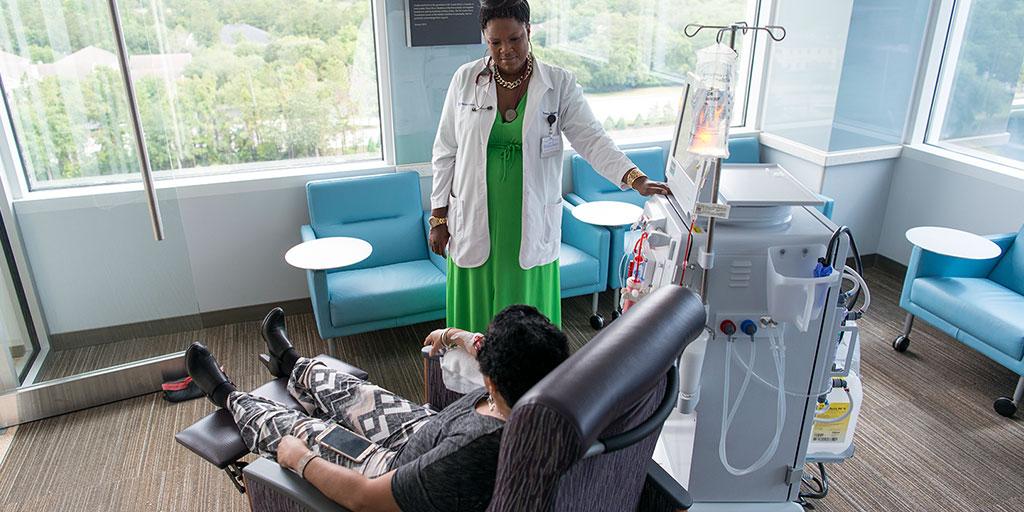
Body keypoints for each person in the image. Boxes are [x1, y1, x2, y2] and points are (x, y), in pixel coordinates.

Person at [428, 0, 670, 333]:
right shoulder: (466, 79)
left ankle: (531, 384)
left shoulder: (558, 83)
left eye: (514, 39)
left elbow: (592, 140)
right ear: (484, 38)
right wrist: (438, 217)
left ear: (528, 31)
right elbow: (445, 150)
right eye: (495, 42)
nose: (505, 50)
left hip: (528, 220)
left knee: (526, 320)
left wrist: (634, 176)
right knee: (476, 320)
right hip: (472, 215)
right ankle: (474, 384)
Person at [185, 306, 569, 512]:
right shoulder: (548, 382)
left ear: (491, 381)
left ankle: (227, 395)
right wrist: (457, 337)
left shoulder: (467, 456)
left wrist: (300, 461)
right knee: (353, 392)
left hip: (389, 472)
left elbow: (365, 498)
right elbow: (491, 351)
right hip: (426, 430)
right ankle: (290, 363)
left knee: (293, 432)